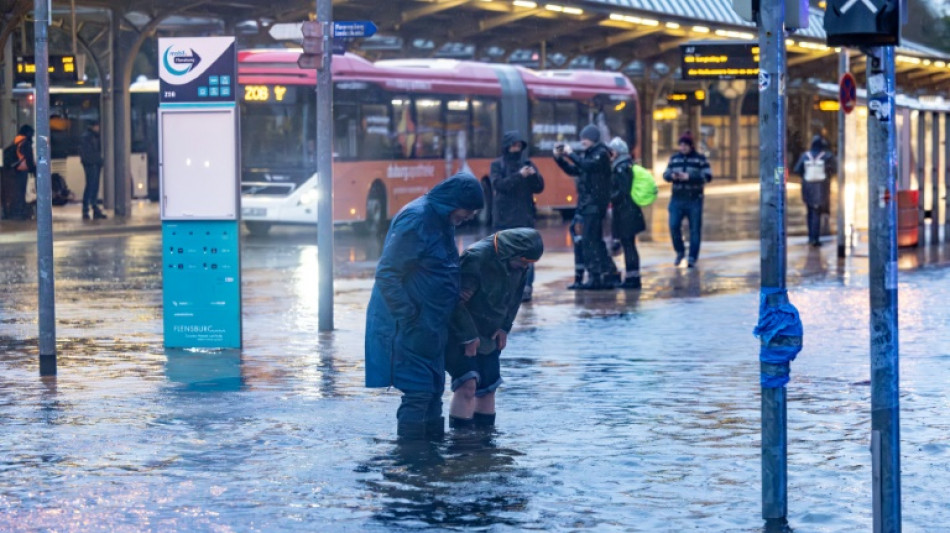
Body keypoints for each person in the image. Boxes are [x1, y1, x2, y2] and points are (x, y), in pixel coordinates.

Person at [365, 172, 484, 441]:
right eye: (468, 210)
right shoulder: (417, 219)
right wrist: (410, 316)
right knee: (418, 393)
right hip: (408, 327)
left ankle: (430, 465)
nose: (470, 216)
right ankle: (411, 464)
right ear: (455, 201)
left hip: (431, 326)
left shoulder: (443, 219)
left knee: (432, 392)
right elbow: (387, 273)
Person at [446, 228, 544, 430]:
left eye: (529, 264)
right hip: (461, 331)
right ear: (512, 253)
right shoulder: (477, 258)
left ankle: (486, 442)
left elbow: (515, 297)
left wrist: (505, 327)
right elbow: (454, 301)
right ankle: (462, 443)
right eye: (524, 262)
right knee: (467, 384)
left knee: (489, 387)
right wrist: (468, 336)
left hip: (490, 332)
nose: (525, 267)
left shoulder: (519, 264)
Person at [554, 124, 617, 290]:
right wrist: (559, 158)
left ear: (593, 139)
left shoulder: (601, 154)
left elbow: (586, 166)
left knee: (590, 241)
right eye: (581, 138)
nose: (582, 141)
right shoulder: (590, 155)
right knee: (592, 240)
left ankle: (597, 275)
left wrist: (570, 153)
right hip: (586, 204)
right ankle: (605, 273)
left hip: (595, 204)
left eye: (585, 138)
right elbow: (575, 169)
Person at [489, 130, 545, 302]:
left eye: (519, 146)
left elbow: (539, 187)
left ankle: (526, 287)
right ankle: (505, 287)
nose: (516, 149)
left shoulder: (527, 163)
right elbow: (500, 185)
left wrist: (533, 175)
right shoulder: (498, 165)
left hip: (524, 217)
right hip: (503, 218)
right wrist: (519, 176)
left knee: (526, 255)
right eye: (513, 145)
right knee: (503, 255)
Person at [662, 131, 712, 267]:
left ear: (691, 146)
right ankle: (680, 252)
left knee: (694, 229)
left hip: (694, 198)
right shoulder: (674, 159)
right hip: (677, 198)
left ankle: (692, 257)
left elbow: (707, 176)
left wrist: (689, 177)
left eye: (685, 145)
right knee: (673, 226)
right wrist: (672, 176)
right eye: (681, 145)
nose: (683, 147)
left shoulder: (700, 159)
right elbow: (665, 174)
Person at [607, 137, 646, 289]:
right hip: (630, 212)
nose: (610, 154)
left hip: (626, 213)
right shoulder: (626, 164)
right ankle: (632, 277)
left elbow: (623, 190)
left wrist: (609, 197)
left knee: (628, 245)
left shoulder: (621, 167)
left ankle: (633, 279)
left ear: (617, 151)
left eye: (612, 151)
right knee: (629, 245)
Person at [793, 135, 837, 247]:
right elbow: (834, 169)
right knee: (817, 212)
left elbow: (797, 169)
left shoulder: (805, 156)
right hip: (821, 187)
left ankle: (810, 236)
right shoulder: (827, 156)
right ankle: (815, 239)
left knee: (810, 212)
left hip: (807, 187)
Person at [80, 120, 107, 220]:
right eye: (97, 126)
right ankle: (87, 209)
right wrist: (97, 160)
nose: (98, 128)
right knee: (91, 186)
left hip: (94, 164)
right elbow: (89, 152)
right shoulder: (88, 137)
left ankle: (93, 208)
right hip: (91, 164)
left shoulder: (93, 136)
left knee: (93, 186)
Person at [9, 125, 37, 220]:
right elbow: (28, 158)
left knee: (17, 191)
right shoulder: (25, 142)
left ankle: (17, 212)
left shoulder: (16, 140)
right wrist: (33, 170)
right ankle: (20, 213)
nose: (32, 136)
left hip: (15, 168)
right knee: (22, 192)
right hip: (23, 169)